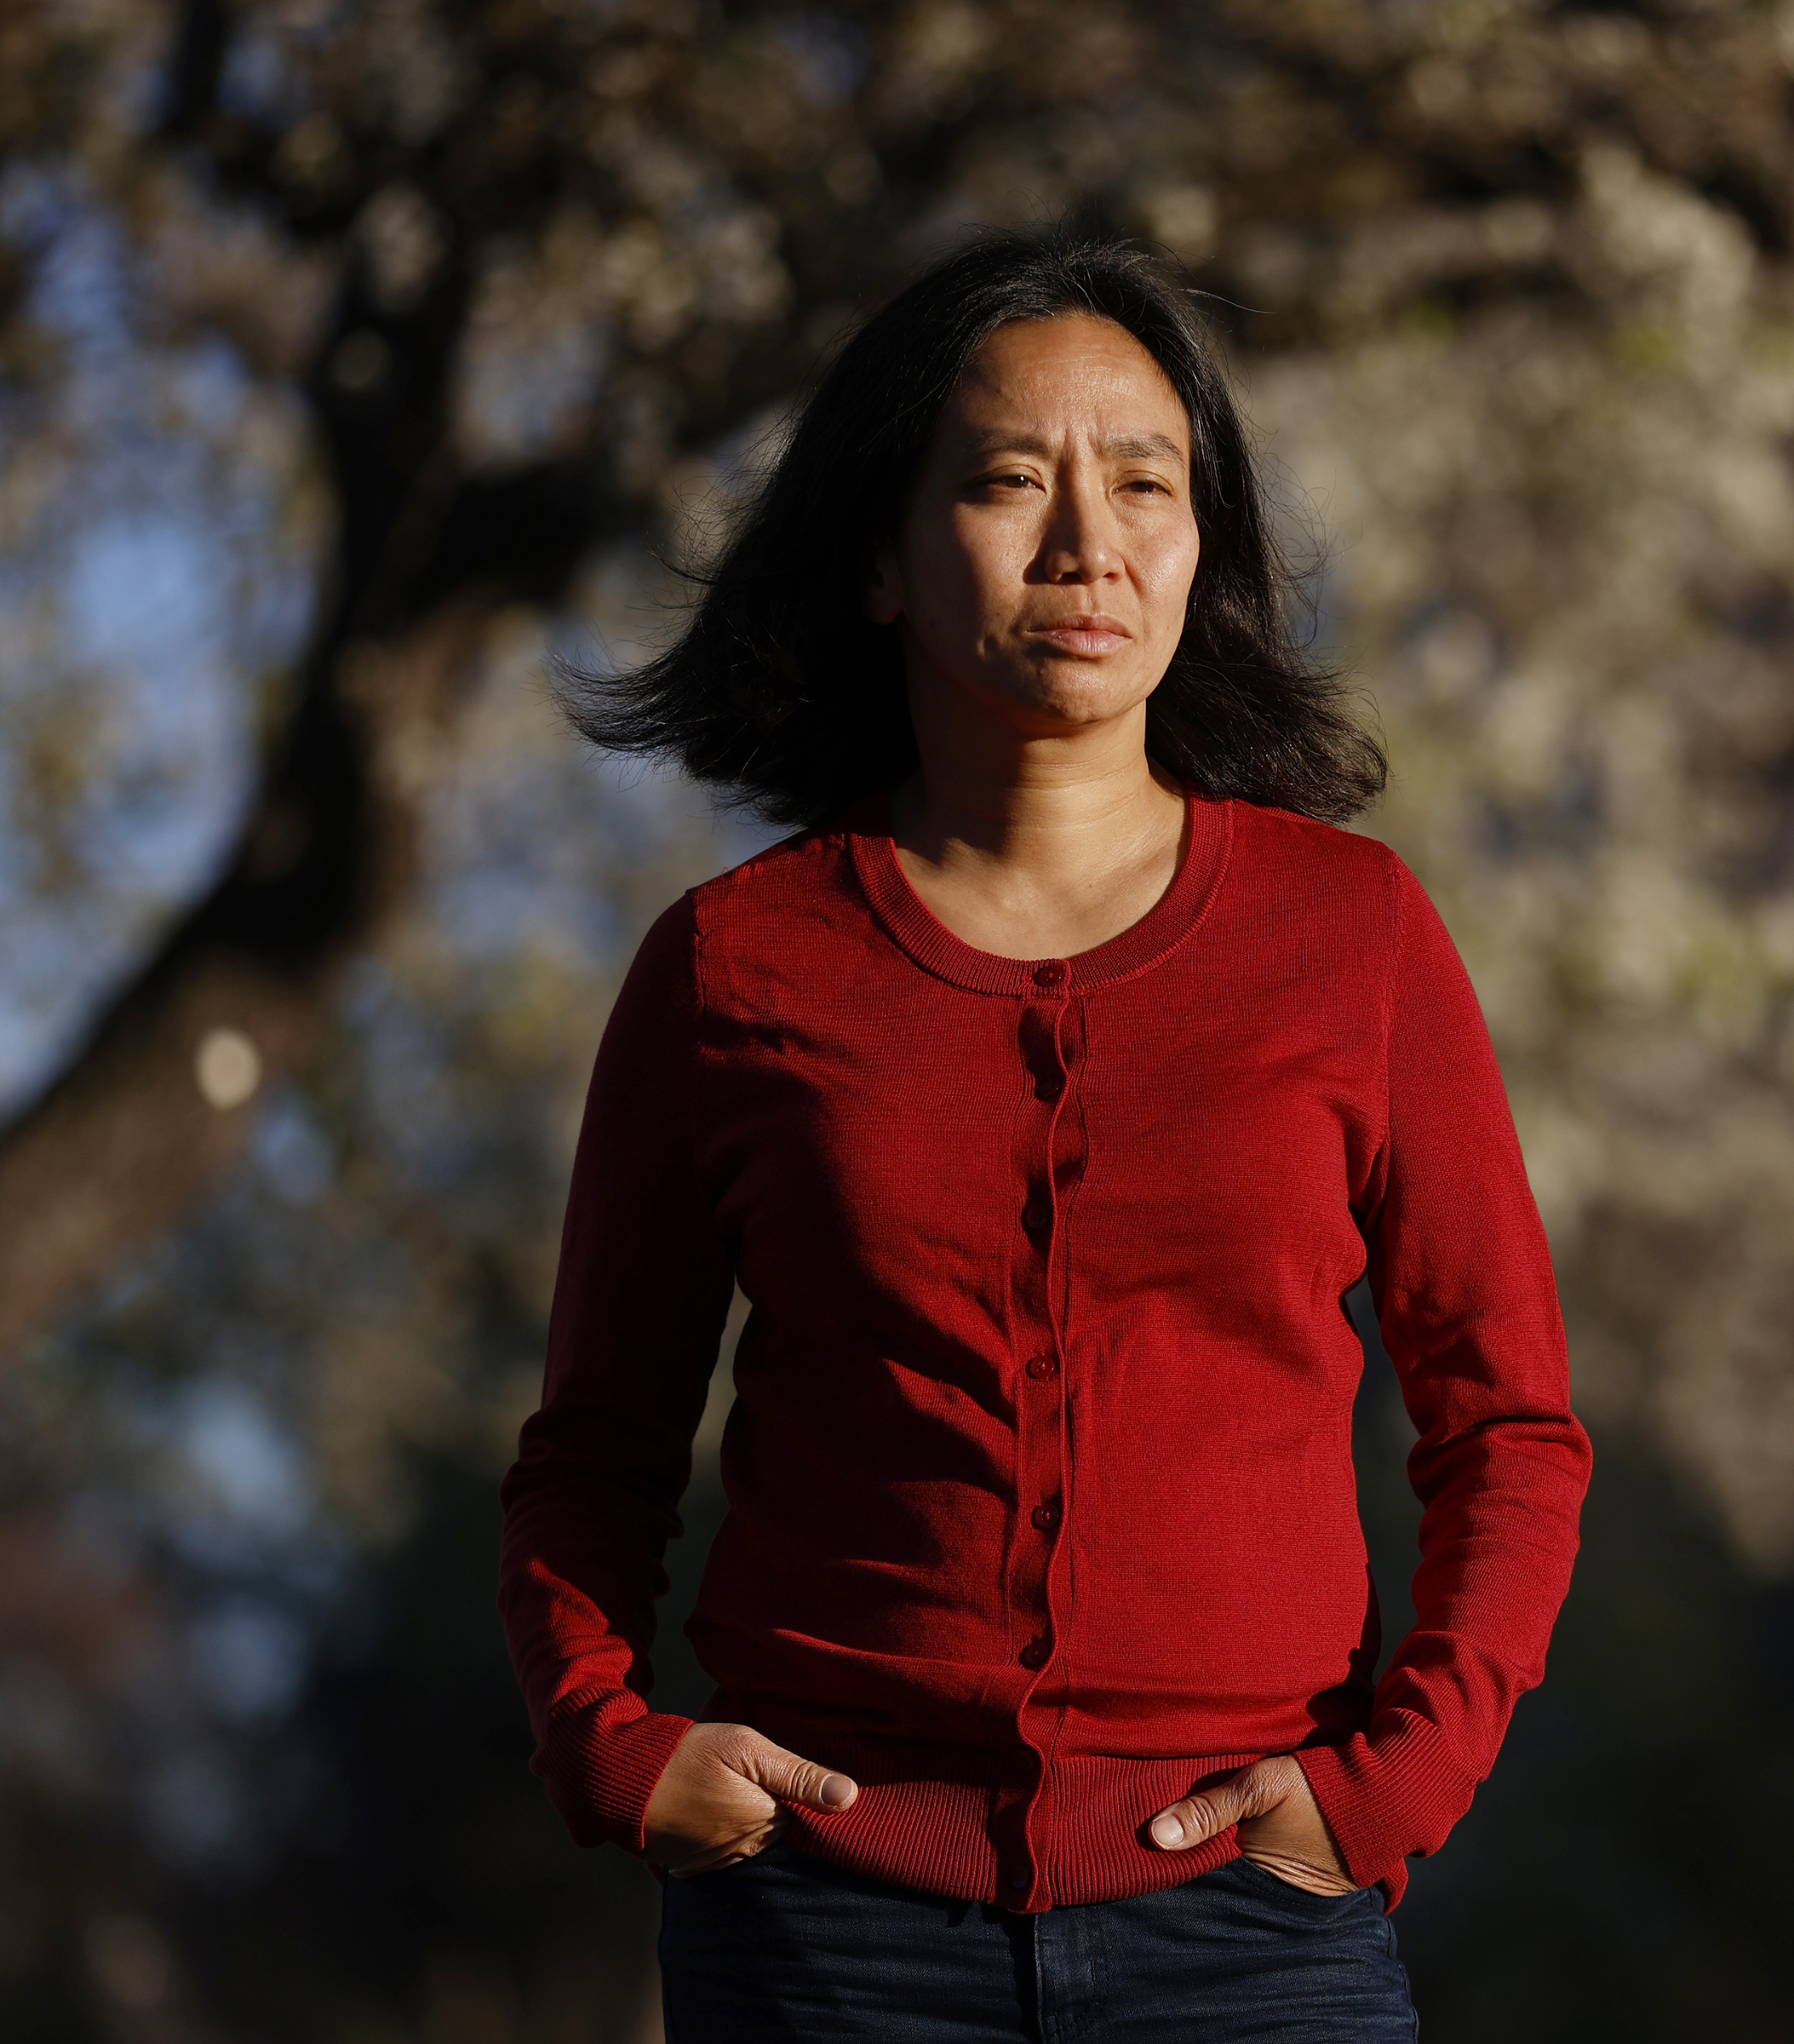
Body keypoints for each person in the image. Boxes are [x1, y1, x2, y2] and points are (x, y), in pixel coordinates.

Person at [497, 231, 1591, 2043]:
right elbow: (591, 1461)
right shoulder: (731, 969)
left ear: (1202, 548)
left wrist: (1392, 1788)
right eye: (1011, 482)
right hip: (831, 1940)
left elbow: (1513, 1431)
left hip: (1257, 1938)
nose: (1089, 543)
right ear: (877, 553)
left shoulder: (1354, 936)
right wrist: (615, 1751)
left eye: (1145, 484)